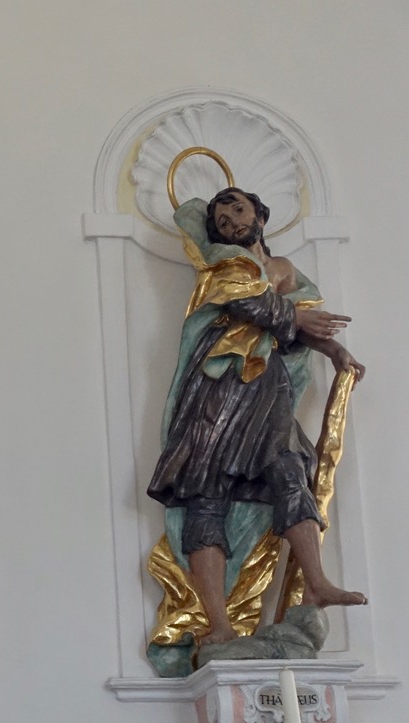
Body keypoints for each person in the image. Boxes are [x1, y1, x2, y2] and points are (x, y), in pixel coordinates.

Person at [148, 187, 366, 648]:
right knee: (205, 494)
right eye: (221, 220)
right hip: (217, 387)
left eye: (238, 210)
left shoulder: (283, 269)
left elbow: (304, 321)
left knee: (290, 471)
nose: (231, 222)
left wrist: (335, 350)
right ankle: (219, 624)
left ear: (260, 216)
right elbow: (245, 303)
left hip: (267, 386)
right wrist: (296, 320)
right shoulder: (224, 263)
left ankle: (317, 583)